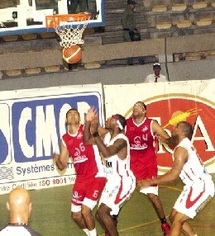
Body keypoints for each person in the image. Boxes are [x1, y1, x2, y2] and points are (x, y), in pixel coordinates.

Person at [137, 121, 215, 236]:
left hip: (201, 187)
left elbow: (173, 175)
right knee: (174, 217)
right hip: (193, 186)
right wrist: (165, 140)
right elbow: (172, 142)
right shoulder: (184, 143)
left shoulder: (182, 150)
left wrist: (150, 181)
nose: (173, 128)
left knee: (178, 219)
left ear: (182, 132)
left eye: (176, 127)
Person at [53, 108, 106, 236]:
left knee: (85, 211)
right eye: (70, 114)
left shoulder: (86, 129)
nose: (72, 116)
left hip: (96, 175)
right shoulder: (65, 139)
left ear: (80, 118)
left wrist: (95, 123)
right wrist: (57, 161)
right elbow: (62, 165)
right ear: (66, 120)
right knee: (76, 216)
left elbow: (104, 133)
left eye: (75, 114)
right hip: (81, 180)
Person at [84, 108, 136, 236]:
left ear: (117, 124)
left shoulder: (121, 140)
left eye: (111, 118)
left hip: (124, 182)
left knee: (103, 213)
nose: (107, 119)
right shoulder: (107, 135)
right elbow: (86, 140)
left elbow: (106, 153)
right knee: (99, 215)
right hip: (112, 182)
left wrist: (96, 133)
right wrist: (88, 122)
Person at [125, 101, 171, 236]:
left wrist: (163, 140)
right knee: (121, 195)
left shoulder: (152, 124)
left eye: (139, 107)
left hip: (148, 165)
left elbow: (168, 139)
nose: (136, 108)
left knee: (152, 195)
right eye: (134, 106)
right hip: (131, 165)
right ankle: (111, 224)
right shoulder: (126, 124)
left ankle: (164, 223)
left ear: (145, 111)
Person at [121, 0, 143, 65]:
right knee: (131, 46)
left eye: (134, 4)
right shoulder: (127, 12)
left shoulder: (130, 12)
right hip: (128, 32)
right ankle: (131, 61)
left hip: (131, 31)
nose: (134, 6)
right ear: (129, 5)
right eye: (132, 4)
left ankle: (136, 61)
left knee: (134, 46)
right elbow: (124, 22)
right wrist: (131, 29)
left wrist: (135, 29)